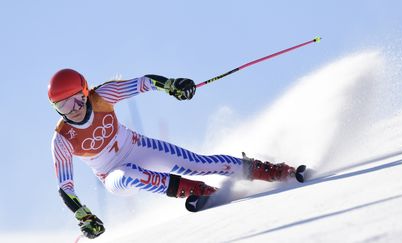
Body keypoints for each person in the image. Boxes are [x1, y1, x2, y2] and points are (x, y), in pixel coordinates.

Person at [49, 69, 299, 239]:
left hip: (136, 147)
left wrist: (171, 86)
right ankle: (200, 191)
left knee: (197, 164)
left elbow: (144, 83)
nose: (73, 110)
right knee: (131, 174)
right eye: (63, 106)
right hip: (112, 175)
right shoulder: (62, 138)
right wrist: (85, 216)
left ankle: (272, 171)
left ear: (85, 92)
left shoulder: (103, 95)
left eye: (76, 101)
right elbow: (66, 188)